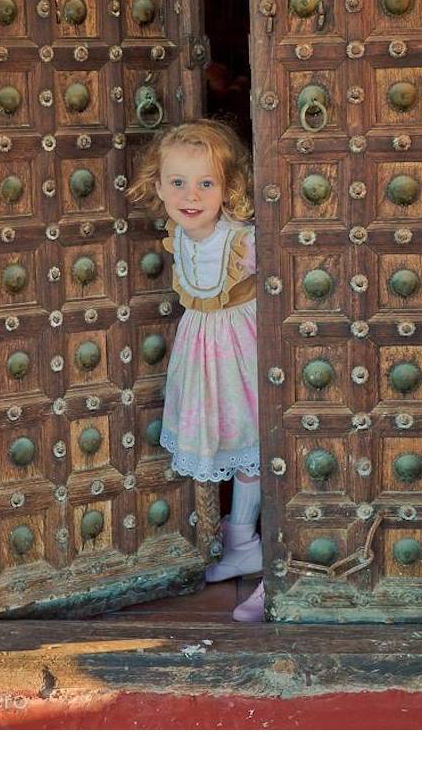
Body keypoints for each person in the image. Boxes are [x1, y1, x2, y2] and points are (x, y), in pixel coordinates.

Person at [125, 119, 266, 622]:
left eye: (207, 183)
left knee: (250, 444)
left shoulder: (242, 241)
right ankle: (235, 540)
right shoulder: (178, 236)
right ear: (158, 186)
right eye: (178, 182)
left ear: (228, 188)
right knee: (219, 440)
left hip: (242, 350)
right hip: (203, 352)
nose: (191, 195)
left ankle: (244, 539)